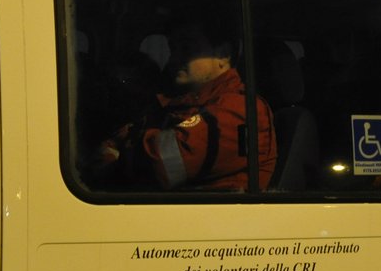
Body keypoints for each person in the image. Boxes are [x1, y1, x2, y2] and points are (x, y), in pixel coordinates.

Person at [95, 23, 275, 191]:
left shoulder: (242, 110)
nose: (175, 58)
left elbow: (161, 165)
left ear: (223, 56)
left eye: (187, 49)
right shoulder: (177, 102)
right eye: (173, 49)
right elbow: (119, 139)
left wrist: (117, 157)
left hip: (208, 220)